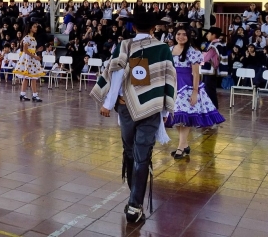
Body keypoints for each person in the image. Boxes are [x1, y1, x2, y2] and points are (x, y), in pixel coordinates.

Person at [90, 12, 176, 224]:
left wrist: (108, 103)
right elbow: (168, 78)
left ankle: (134, 200)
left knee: (130, 151)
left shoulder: (125, 45)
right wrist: (165, 111)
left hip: (125, 106)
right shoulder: (163, 48)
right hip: (152, 107)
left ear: (134, 28)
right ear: (153, 28)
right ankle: (134, 205)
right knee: (142, 155)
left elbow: (116, 73)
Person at [164, 27, 225, 159]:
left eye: (184, 34)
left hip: (187, 87)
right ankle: (184, 144)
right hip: (174, 86)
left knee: (185, 117)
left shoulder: (193, 51)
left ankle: (180, 147)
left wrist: (195, 92)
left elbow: (196, 74)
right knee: (178, 117)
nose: (181, 37)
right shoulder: (169, 50)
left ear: (189, 37)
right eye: (178, 34)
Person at [13, 23, 45, 102]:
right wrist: (35, 56)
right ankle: (27, 94)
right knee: (28, 77)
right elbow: (25, 50)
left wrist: (37, 51)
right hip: (28, 59)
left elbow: (31, 49)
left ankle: (30, 94)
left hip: (32, 58)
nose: (36, 28)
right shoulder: (26, 38)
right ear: (30, 28)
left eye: (36, 27)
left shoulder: (33, 38)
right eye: (34, 27)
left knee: (32, 77)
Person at [201, 26, 223, 109]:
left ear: (214, 35)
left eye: (209, 33)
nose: (207, 35)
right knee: (210, 90)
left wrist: (200, 55)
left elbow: (205, 58)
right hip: (212, 71)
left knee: (209, 91)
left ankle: (212, 109)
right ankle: (213, 108)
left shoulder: (214, 45)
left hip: (211, 71)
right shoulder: (218, 44)